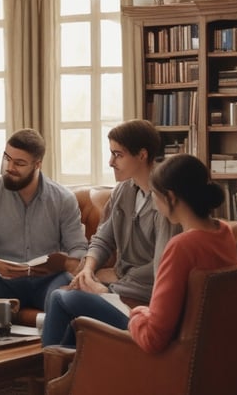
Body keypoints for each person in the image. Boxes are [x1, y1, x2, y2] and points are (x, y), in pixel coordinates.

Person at [43, 154, 237, 352]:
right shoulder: (222, 232)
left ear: (170, 197)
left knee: (61, 298)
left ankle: (53, 374)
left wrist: (136, 312)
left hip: (162, 344)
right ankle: (68, 370)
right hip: (201, 341)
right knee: (71, 309)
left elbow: (153, 337)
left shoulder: (182, 246)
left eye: (154, 192)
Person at [42, 119, 180, 346]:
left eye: (118, 155)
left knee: (60, 297)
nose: (110, 162)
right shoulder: (123, 191)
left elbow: (161, 266)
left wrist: (113, 280)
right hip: (119, 288)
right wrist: (88, 269)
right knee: (66, 297)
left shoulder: (166, 201)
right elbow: (102, 239)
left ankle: (52, 374)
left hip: (142, 299)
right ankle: (60, 373)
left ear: (142, 155)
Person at [0, 128, 88, 316]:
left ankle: (54, 344)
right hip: (2, 279)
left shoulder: (64, 199)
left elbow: (78, 247)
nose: (9, 167)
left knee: (65, 293)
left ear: (37, 164)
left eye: (19, 163)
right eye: (7, 158)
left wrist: (67, 262)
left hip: (49, 279)